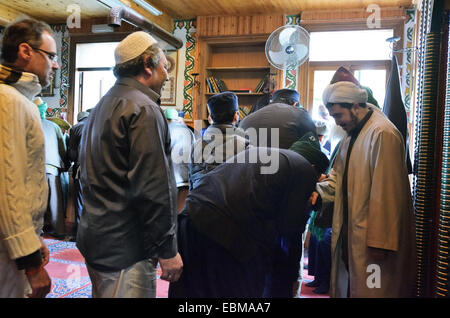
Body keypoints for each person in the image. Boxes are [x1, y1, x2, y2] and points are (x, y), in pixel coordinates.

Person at [76, 31, 183, 298]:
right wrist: (167, 249)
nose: (167, 75)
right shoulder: (143, 108)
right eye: (164, 66)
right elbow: (153, 187)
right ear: (147, 64)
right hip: (126, 247)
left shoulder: (103, 103)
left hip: (98, 237)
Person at [169, 140, 329, 298]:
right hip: (221, 232)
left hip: (191, 215)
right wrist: (290, 278)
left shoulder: (272, 155)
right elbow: (290, 230)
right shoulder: (305, 171)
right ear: (314, 168)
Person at [312, 81, 416, 297]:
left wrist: (380, 243)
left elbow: (387, 193)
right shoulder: (352, 135)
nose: (337, 122)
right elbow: (338, 177)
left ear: (356, 106)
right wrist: (319, 193)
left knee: (375, 289)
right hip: (355, 237)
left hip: (376, 247)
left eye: (339, 116)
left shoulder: (382, 134)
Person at [0, 18, 59, 298]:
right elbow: (8, 189)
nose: (56, 65)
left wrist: (33, 242)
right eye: (51, 56)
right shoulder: (7, 100)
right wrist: (32, 264)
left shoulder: (18, 99)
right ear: (26, 52)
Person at [189, 91, 250, 190]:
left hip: (201, 202)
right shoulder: (245, 145)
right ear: (236, 116)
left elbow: (192, 183)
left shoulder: (196, 145)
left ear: (210, 118)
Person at [34, 97, 69, 239]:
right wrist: (65, 164)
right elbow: (63, 148)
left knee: (36, 200)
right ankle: (59, 231)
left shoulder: (28, 123)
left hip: (35, 167)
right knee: (55, 201)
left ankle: (37, 231)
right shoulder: (53, 126)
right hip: (53, 167)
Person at [238, 88, 317, 149]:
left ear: (272, 102)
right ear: (295, 104)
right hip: (287, 168)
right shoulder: (301, 115)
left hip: (250, 169)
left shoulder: (245, 120)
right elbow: (314, 149)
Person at [164, 108, 195, 213]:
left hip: (171, 177)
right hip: (187, 177)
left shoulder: (165, 129)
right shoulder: (188, 130)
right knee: (180, 211)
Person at [66, 111, 90, 238]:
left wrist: (68, 162)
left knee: (80, 200)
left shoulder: (76, 128)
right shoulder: (96, 123)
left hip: (82, 168)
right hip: (99, 170)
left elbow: (72, 153)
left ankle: (80, 234)